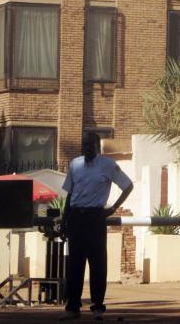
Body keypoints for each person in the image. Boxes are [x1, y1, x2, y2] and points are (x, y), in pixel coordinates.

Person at [60, 133, 133, 321]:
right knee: (75, 264)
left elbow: (128, 185)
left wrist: (113, 209)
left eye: (88, 145)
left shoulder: (107, 165)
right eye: (83, 145)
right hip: (76, 217)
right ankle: (72, 307)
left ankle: (98, 307)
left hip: (95, 218)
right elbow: (70, 194)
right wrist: (64, 219)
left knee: (97, 263)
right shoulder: (75, 165)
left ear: (97, 146)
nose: (85, 148)